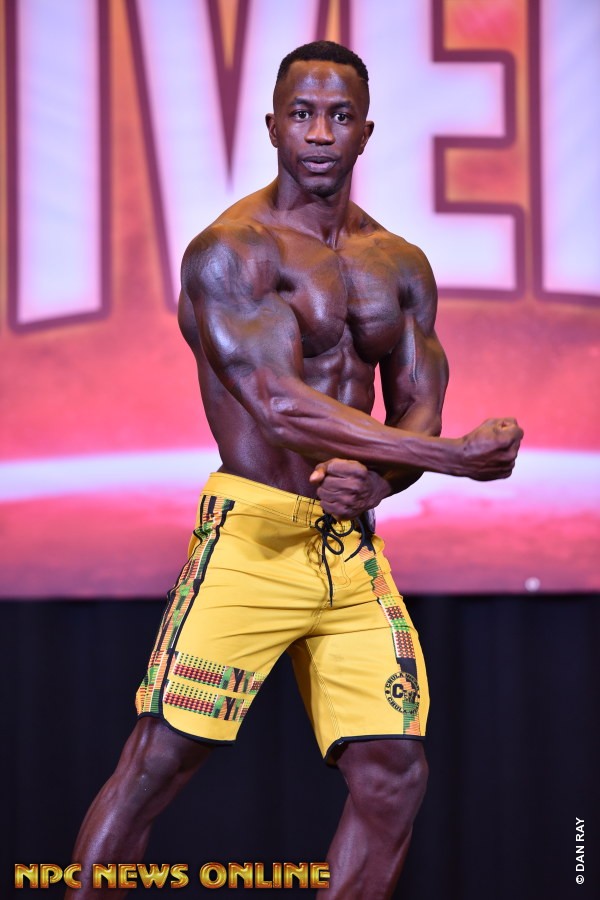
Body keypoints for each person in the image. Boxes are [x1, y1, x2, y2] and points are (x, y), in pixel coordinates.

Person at [67, 41, 522, 898]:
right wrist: (450, 461)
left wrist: (381, 482)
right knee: (159, 763)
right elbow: (280, 406)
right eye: (303, 115)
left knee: (394, 773)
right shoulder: (231, 251)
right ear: (273, 126)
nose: (319, 133)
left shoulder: (399, 264)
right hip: (253, 538)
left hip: (348, 547)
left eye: (339, 116)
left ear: (365, 132)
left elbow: (417, 401)